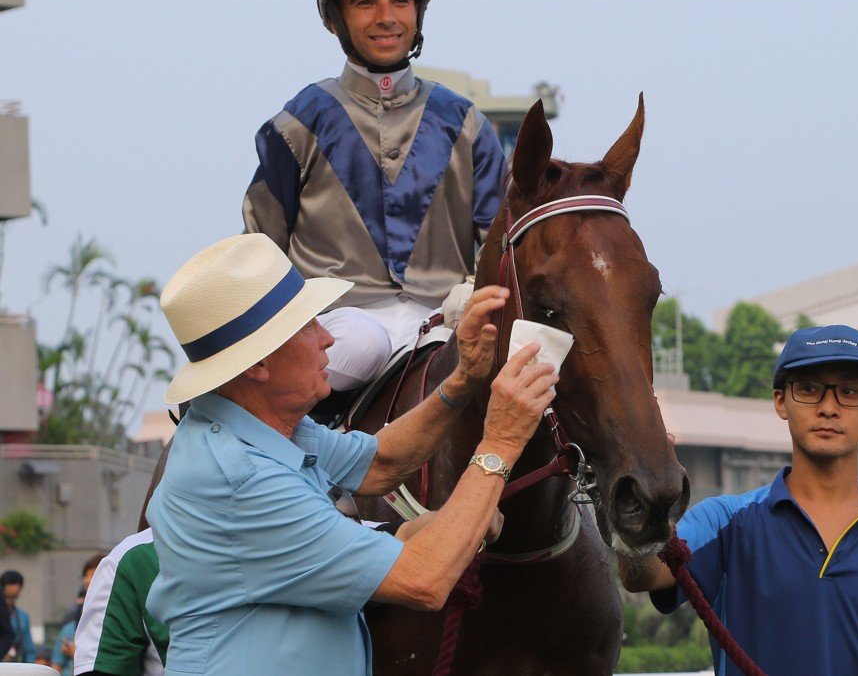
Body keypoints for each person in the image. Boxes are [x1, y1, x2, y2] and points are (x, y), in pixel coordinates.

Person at [144, 234, 556, 675]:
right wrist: (501, 442)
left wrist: (461, 382)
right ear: (258, 365)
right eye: (307, 326)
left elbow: (379, 463)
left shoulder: (258, 426)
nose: (326, 339)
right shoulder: (240, 476)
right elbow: (425, 579)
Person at [619, 324, 858, 675]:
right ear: (780, 401)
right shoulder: (724, 520)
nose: (828, 407)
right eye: (808, 389)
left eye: (849, 391)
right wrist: (638, 490)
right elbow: (642, 576)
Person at [242, 0, 506, 398]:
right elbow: (260, 251)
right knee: (363, 343)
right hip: (338, 327)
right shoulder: (296, 124)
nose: (387, 17)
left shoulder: (467, 124)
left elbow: (500, 245)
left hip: (442, 323)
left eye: (400, 0)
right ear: (333, 19)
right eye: (365, 1)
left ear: (419, 11)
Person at [74, 528, 167, 676]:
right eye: (87, 575)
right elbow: (103, 664)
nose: (88, 580)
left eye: (92, 575)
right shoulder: (130, 558)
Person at [2, 569, 35, 662]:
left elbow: (29, 649)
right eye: (7, 597)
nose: (9, 601)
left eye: (14, 597)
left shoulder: (22, 617)